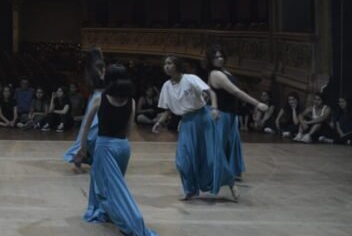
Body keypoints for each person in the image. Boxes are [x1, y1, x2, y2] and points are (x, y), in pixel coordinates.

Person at [75, 65, 157, 236]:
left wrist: (82, 147)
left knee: (111, 190)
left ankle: (133, 223)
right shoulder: (131, 101)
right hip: (123, 147)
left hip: (105, 147)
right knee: (112, 185)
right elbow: (129, 131)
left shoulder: (99, 98)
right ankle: (103, 211)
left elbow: (86, 126)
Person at [152, 56, 238, 201]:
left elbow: (211, 92)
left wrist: (214, 108)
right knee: (183, 159)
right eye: (165, 64)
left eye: (169, 63)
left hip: (203, 119)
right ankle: (190, 189)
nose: (166, 66)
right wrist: (159, 122)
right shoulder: (166, 86)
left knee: (211, 158)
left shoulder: (190, 78)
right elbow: (168, 109)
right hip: (186, 123)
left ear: (177, 65)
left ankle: (230, 182)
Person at [204, 45, 268, 179]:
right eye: (216, 57)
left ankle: (229, 172)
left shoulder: (224, 71)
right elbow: (236, 92)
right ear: (210, 60)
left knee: (231, 143)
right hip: (221, 114)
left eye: (221, 56)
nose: (220, 59)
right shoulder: (215, 74)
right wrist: (257, 103)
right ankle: (216, 173)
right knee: (220, 144)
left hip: (230, 113)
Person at [64, 46, 106, 173]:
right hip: (101, 96)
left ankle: (81, 158)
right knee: (94, 128)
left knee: (88, 127)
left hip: (94, 97)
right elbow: (104, 80)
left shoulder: (88, 68)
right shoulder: (99, 65)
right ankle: (84, 157)